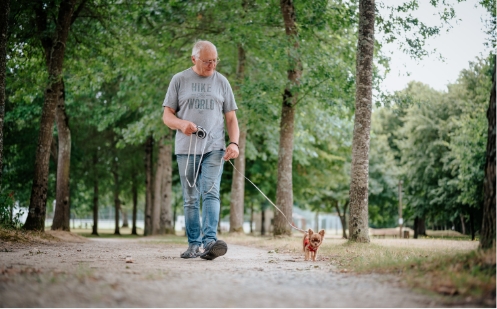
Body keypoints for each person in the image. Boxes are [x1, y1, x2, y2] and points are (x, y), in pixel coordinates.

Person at [162, 40, 240, 260]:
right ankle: (193, 245)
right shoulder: (179, 80)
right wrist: (181, 124)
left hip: (214, 147)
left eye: (215, 61)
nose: (212, 65)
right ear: (193, 59)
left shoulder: (222, 82)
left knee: (210, 192)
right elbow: (167, 116)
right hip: (186, 149)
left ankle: (209, 243)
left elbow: (232, 119)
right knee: (190, 198)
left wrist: (234, 143)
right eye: (207, 61)